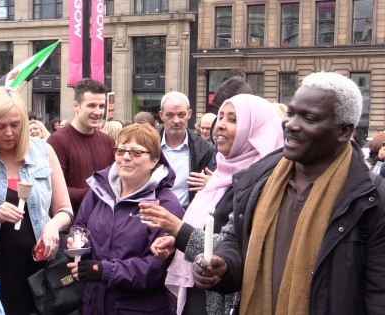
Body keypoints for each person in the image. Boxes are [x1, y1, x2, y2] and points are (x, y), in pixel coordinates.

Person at [194, 72, 385, 314]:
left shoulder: (372, 200)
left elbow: (378, 296)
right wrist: (224, 266)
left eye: (309, 118)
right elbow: (236, 240)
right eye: (292, 113)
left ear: (344, 131)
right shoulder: (258, 178)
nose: (291, 124)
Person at [140, 94, 284, 314]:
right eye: (221, 117)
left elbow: (241, 247)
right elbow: (205, 230)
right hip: (198, 291)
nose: (221, 126)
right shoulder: (220, 175)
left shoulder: (264, 183)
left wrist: (177, 229)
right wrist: (175, 242)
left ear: (255, 130)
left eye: (233, 120)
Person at [0, 87, 74, 315]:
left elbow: (65, 210)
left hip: (39, 266)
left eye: (15, 125)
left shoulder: (44, 151)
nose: (9, 133)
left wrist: (52, 226)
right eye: (0, 126)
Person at [66, 123, 185, 314]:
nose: (126, 157)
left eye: (136, 153)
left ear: (154, 160)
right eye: (121, 150)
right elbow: (80, 227)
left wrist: (106, 270)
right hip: (94, 304)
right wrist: (77, 246)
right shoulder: (99, 190)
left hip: (138, 308)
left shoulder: (164, 204)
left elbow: (159, 266)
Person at [47, 78, 116, 215]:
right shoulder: (57, 141)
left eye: (101, 106)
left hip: (104, 224)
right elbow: (52, 190)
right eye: (91, 105)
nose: (98, 112)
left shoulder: (108, 142)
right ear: (75, 106)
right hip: (71, 227)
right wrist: (96, 192)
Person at [159, 91, 216, 207]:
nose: (176, 121)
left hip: (187, 218)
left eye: (181, 115)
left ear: (189, 114)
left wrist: (212, 183)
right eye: (170, 115)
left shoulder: (205, 150)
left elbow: (217, 185)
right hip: (150, 216)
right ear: (161, 115)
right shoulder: (147, 144)